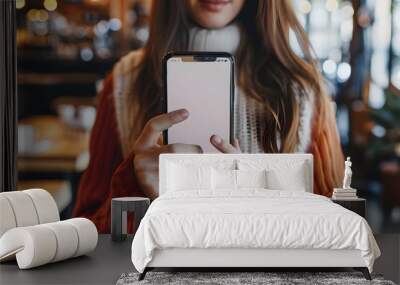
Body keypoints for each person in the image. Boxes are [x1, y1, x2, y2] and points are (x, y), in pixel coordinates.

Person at [73, 0, 344, 233]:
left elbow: (335, 230)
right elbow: (85, 231)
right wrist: (132, 188)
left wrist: (255, 201)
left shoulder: (303, 93)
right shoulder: (123, 83)